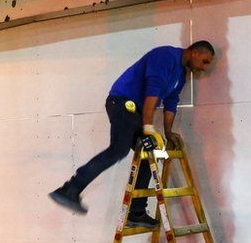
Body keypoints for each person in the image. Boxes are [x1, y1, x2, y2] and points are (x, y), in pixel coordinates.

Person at [49, 41, 215, 227]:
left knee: (148, 153)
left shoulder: (180, 75)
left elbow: (171, 101)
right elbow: (151, 93)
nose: (204, 68)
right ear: (194, 53)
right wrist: (149, 129)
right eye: (205, 61)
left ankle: (136, 212)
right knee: (118, 150)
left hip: (136, 110)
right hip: (122, 103)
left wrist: (168, 132)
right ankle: (69, 189)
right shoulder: (165, 56)